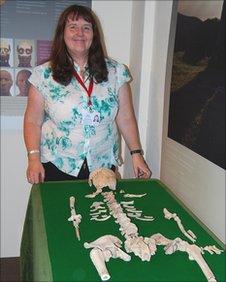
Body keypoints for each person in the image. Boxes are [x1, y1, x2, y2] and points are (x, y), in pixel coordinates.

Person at [23, 4, 152, 184]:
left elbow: (125, 117)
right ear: (63, 34)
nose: (80, 33)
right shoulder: (43, 75)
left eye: (86, 27)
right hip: (58, 164)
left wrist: (136, 154)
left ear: (94, 35)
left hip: (103, 166)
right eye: (73, 27)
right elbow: (32, 121)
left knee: (103, 212)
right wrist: (33, 159)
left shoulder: (116, 72)